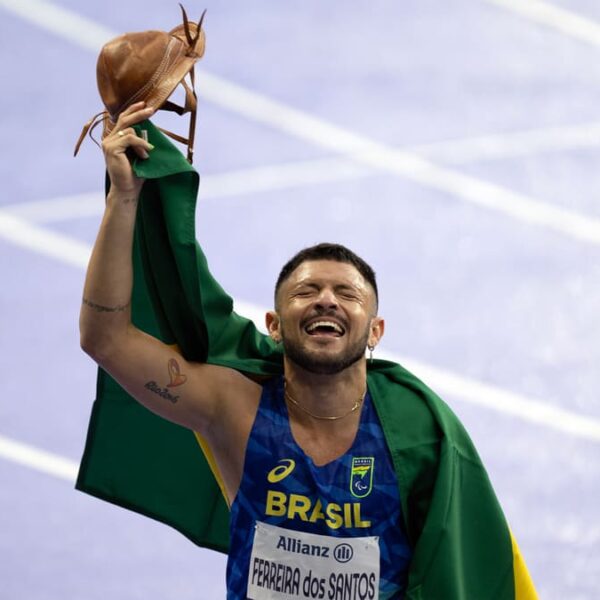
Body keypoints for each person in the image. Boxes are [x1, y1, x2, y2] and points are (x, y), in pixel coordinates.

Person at [79, 102, 537, 599]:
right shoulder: (235, 409)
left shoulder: (416, 432)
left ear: (376, 330)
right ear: (274, 325)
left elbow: (461, 557)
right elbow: (106, 339)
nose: (325, 299)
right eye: (306, 292)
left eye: (347, 294)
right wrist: (124, 200)